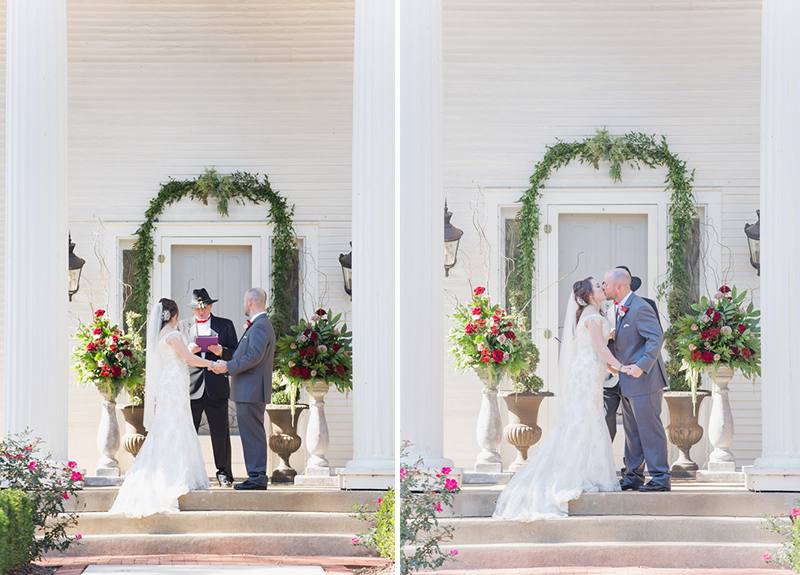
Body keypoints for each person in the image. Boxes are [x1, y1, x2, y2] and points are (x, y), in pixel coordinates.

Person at [493, 278, 622, 522]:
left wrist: (612, 369)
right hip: (586, 370)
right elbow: (598, 346)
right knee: (583, 418)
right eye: (597, 286)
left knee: (588, 417)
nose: (602, 288)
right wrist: (620, 366)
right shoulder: (592, 314)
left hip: (590, 369)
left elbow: (598, 349)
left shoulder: (590, 312)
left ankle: (591, 471)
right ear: (589, 294)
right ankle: (580, 473)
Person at [109, 298, 213, 517]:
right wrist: (212, 364)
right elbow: (188, 359)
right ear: (173, 315)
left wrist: (188, 352)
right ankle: (176, 474)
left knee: (168, 422)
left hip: (167, 381)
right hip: (175, 381)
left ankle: (166, 470)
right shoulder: (173, 334)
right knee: (177, 422)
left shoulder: (157, 336)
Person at [603, 268, 671, 492]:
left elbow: (656, 338)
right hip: (626, 381)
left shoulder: (640, 307)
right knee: (632, 432)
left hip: (645, 380)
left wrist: (641, 367)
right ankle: (633, 476)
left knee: (650, 429)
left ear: (618, 287)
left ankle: (660, 477)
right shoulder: (618, 307)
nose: (604, 288)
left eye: (606, 284)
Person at [211, 288, 275, 491]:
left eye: (243, 301)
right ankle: (255, 475)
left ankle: (257, 477)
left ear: (249, 302)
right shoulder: (259, 325)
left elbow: (253, 357)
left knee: (253, 434)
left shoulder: (260, 326)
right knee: (251, 434)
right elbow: (248, 355)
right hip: (249, 390)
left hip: (251, 390)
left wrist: (227, 366)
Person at [178, 288, 238, 488]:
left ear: (211, 306)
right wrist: (187, 351)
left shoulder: (225, 325)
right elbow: (174, 357)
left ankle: (224, 474)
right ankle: (187, 473)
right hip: (191, 387)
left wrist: (223, 351)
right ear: (193, 309)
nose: (201, 311)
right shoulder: (181, 326)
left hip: (216, 385)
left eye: (204, 307)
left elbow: (236, 354)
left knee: (220, 433)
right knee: (188, 433)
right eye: (197, 308)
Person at [603, 266, 662, 442]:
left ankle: (633, 467)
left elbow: (654, 337)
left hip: (635, 373)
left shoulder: (644, 305)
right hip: (612, 373)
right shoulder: (606, 308)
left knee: (637, 423)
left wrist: (640, 365)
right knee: (606, 416)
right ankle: (606, 460)